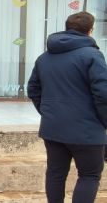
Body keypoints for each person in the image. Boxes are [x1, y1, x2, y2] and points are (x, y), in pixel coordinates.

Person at [27, 11, 107, 203]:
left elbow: (33, 90)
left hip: (53, 128)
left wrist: (49, 113)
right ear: (90, 30)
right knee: (89, 175)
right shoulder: (93, 55)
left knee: (55, 173)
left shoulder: (44, 57)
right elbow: (103, 94)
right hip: (87, 131)